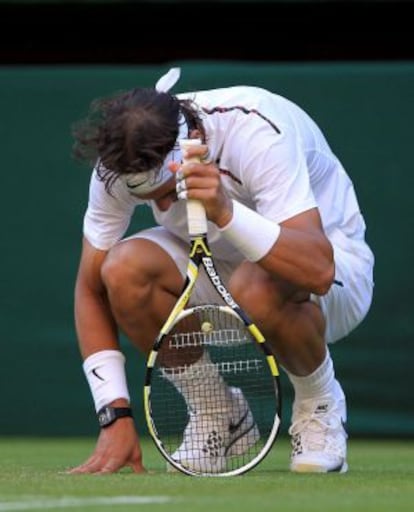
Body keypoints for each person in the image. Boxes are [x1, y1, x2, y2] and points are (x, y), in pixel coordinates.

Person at [69, 67, 374, 475]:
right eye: (152, 201)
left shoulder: (256, 129)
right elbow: (90, 289)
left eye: (166, 195)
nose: (161, 210)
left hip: (333, 278)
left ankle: (319, 403)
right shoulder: (119, 167)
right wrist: (114, 416)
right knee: (122, 270)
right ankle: (219, 414)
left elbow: (318, 269)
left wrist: (226, 213)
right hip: (221, 275)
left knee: (256, 282)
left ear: (187, 149)